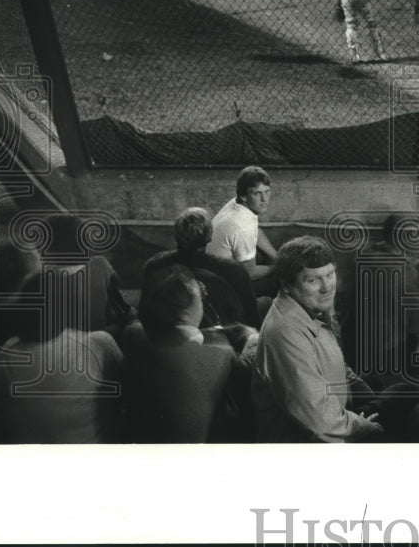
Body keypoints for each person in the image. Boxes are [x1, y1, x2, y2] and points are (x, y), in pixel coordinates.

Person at [252, 237, 383, 442]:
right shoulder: (285, 331)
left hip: (339, 424)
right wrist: (366, 426)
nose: (327, 287)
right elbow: (318, 418)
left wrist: (371, 400)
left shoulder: (313, 308)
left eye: (330, 275)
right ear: (286, 285)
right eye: (312, 280)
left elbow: (336, 365)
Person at [122, 264, 252, 442]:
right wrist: (252, 339)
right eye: (201, 295)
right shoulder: (220, 355)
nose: (203, 300)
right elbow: (250, 381)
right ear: (184, 314)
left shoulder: (133, 334)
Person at [0, 270, 123, 444]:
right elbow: (124, 394)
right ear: (70, 306)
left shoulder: (9, 350)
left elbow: (0, 413)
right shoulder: (98, 344)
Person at [143, 207, 262, 328]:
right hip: (224, 339)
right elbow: (251, 318)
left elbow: (145, 312)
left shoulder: (154, 265)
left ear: (176, 235)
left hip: (164, 335)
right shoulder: (233, 270)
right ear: (209, 236)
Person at [206, 166, 278, 294]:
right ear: (244, 196)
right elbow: (250, 273)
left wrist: (277, 257)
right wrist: (277, 267)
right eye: (257, 193)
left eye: (267, 191)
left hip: (215, 267)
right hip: (220, 284)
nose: (265, 199)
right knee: (280, 280)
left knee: (264, 257)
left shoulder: (236, 204)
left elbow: (255, 230)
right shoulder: (242, 226)